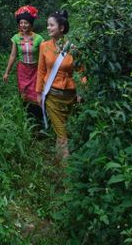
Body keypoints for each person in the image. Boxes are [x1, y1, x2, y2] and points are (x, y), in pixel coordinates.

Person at [36, 9, 83, 160]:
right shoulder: (44, 46)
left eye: (51, 25)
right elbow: (41, 70)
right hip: (52, 95)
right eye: (47, 25)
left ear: (61, 28)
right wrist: (38, 92)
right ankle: (66, 171)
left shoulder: (73, 48)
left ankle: (59, 159)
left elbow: (82, 72)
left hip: (70, 96)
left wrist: (82, 92)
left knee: (63, 129)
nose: (48, 28)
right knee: (62, 133)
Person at [3, 5, 43, 122]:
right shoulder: (16, 38)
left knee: (37, 94)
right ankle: (28, 118)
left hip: (35, 70)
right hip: (22, 70)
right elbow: (13, 56)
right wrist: (7, 72)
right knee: (24, 94)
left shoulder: (39, 39)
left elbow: (43, 57)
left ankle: (39, 119)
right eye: (21, 23)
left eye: (26, 23)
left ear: (31, 24)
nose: (23, 25)